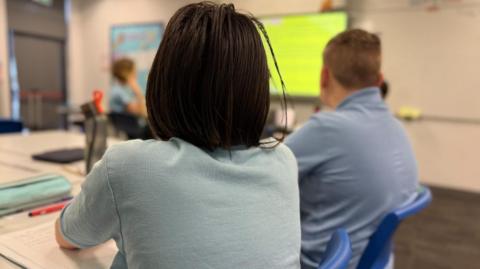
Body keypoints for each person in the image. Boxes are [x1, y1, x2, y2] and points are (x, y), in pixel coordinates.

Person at [55, 2, 301, 269]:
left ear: (164, 82)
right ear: (257, 90)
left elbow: (67, 235)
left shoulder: (127, 167)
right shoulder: (284, 161)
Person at [285, 29, 419, 269]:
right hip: (376, 261)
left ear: (324, 76)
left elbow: (265, 173)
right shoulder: (398, 129)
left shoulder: (326, 128)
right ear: (379, 81)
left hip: (323, 263)